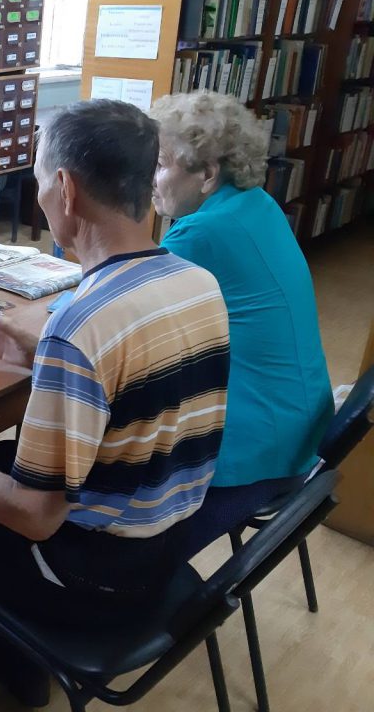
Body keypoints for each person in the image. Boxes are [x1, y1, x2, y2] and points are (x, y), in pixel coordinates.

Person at [0, 99, 231, 712]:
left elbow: (34, 517)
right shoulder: (196, 282)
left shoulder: (82, 325)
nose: (36, 196)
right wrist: (42, 356)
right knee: (3, 456)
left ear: (65, 188)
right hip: (168, 549)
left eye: (37, 179)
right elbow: (133, 389)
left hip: (95, 581)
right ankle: (19, 668)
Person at [150, 90, 334, 556]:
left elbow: (115, 310)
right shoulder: (256, 204)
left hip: (257, 451)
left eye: (160, 164)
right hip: (298, 428)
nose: (148, 178)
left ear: (208, 174)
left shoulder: (203, 232)